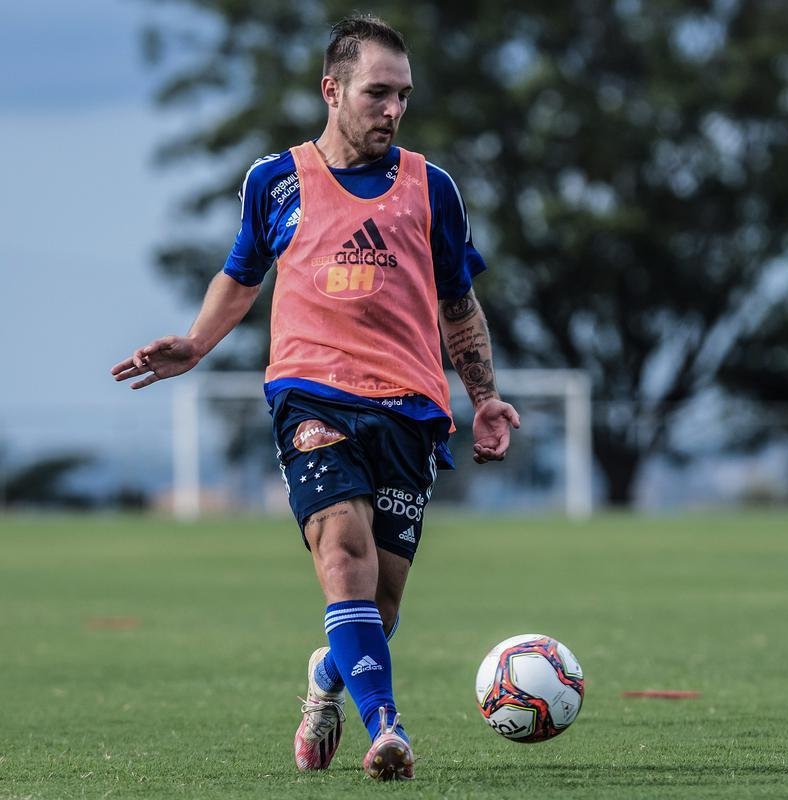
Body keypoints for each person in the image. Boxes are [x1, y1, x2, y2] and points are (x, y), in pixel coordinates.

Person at [111, 14, 520, 781]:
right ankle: (387, 729)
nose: (392, 110)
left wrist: (485, 397)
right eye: (377, 93)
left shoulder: (432, 188)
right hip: (311, 397)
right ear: (331, 90)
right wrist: (196, 343)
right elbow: (241, 276)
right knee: (343, 555)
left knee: (381, 606)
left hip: (409, 406)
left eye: (402, 96)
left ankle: (329, 676)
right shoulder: (275, 180)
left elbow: (458, 304)